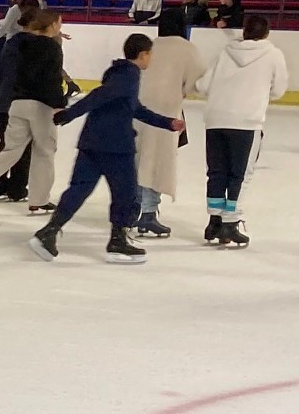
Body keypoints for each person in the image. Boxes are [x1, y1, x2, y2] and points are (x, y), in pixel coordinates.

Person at [30, 33, 186, 264]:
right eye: (150, 55)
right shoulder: (128, 75)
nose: (151, 59)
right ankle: (118, 241)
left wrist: (167, 122)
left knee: (79, 189)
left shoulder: (119, 74)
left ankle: (49, 232)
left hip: (92, 142)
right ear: (143, 54)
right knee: (127, 194)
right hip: (116, 147)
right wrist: (69, 114)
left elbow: (134, 108)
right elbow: (99, 96)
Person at [195, 14, 289, 248]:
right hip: (246, 121)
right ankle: (230, 222)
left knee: (216, 172)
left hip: (216, 119)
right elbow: (278, 90)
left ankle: (214, 221)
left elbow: (203, 86)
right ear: (266, 33)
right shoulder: (273, 55)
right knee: (240, 174)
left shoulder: (225, 52)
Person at [0, 6, 63, 210]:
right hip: (41, 106)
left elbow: (1, 71)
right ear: (53, 24)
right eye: (59, 22)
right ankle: (39, 200)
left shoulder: (15, 43)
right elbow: (52, 79)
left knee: (12, 149)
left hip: (16, 103)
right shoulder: (51, 46)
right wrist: (59, 106)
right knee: (44, 151)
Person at [131, 7, 206, 239]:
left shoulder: (151, 46)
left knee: (139, 157)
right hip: (166, 112)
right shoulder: (187, 49)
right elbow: (200, 81)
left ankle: (133, 208)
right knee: (158, 160)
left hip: (138, 109)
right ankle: (149, 214)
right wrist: (181, 91)